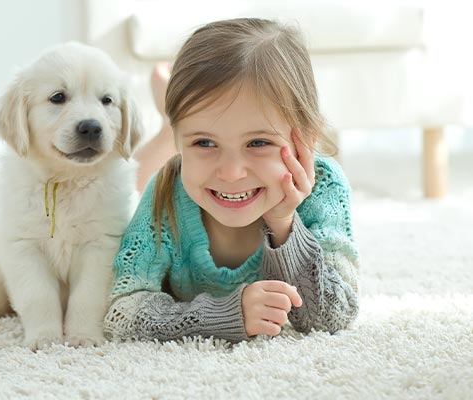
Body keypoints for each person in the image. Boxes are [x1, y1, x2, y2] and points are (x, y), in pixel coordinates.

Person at [103, 17, 359, 343]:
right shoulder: (165, 193)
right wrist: (225, 315)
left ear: (305, 138)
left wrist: (284, 226)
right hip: (174, 166)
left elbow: (333, 318)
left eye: (258, 143)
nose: (231, 172)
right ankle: (169, 128)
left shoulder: (324, 186)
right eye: (204, 143)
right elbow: (121, 311)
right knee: (131, 181)